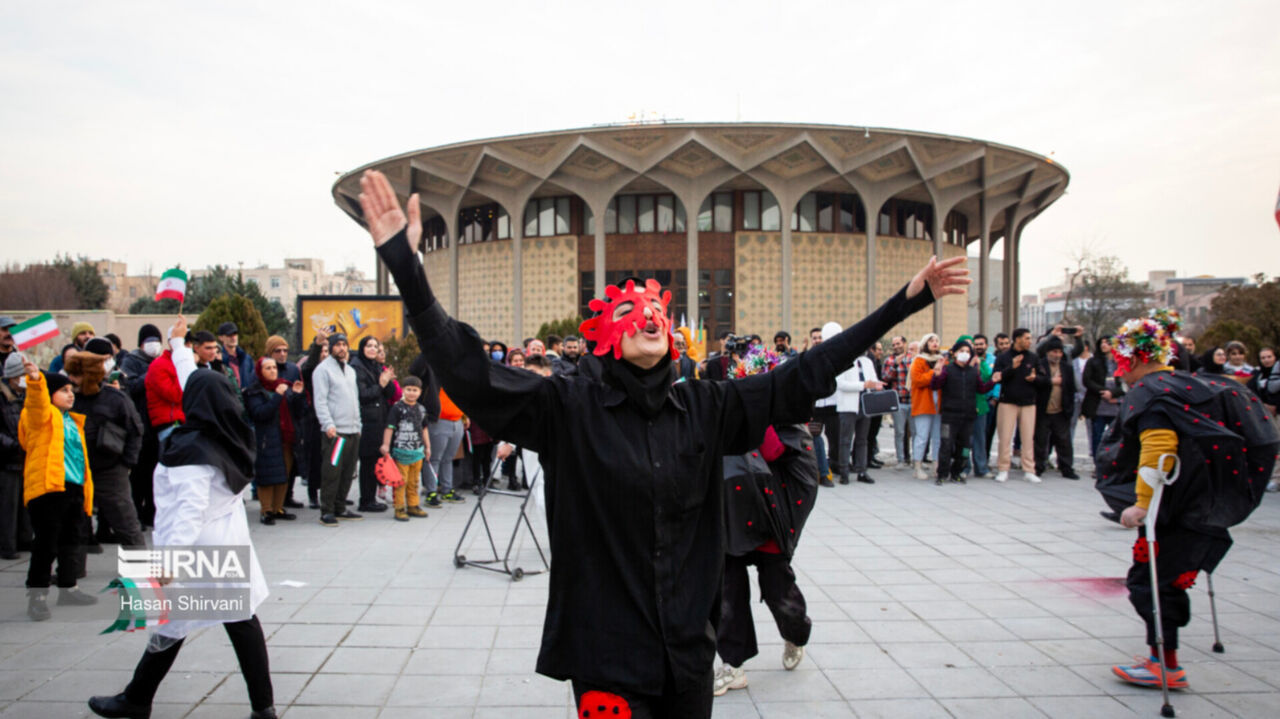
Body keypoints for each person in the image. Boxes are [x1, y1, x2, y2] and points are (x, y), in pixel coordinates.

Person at [358, 168, 967, 717]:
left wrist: (906, 302)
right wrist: (407, 269)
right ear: (606, 335)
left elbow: (803, 374)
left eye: (657, 307)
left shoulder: (708, 406)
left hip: (686, 655)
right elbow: (467, 368)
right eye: (632, 308)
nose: (649, 314)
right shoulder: (567, 407)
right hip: (606, 657)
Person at [88, 320, 276, 719]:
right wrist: (177, 342)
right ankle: (261, 708)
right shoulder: (228, 435)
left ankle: (137, 699)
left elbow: (188, 512)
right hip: (224, 549)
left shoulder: (191, 452)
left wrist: (170, 560)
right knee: (228, 622)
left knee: (175, 619)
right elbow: (200, 383)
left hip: (194, 553)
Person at [1097, 309, 1278, 691]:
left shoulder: (1151, 393)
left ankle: (1165, 664)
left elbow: (1159, 450)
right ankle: (1162, 657)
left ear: (1135, 358)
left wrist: (1142, 504)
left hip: (1174, 505)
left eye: (1120, 360)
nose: (1118, 370)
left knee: (1151, 581)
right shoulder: (1190, 383)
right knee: (1167, 579)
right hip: (1203, 500)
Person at [715, 349, 816, 696]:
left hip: (769, 523)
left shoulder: (791, 423)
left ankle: (794, 635)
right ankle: (733, 664)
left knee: (780, 593)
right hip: (731, 518)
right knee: (728, 596)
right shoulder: (731, 412)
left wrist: (755, 413)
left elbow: (775, 452)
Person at [18, 358, 98, 621]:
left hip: (72, 487)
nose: (70, 394)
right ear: (50, 393)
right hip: (48, 488)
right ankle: (37, 596)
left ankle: (68, 586)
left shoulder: (72, 420)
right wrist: (35, 379)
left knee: (71, 541)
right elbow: (37, 402)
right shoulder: (41, 415)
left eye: (71, 390)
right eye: (63, 390)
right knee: (46, 543)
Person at [66, 338, 146, 547]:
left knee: (125, 522)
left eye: (76, 375)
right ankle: (71, 573)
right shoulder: (69, 398)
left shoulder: (115, 399)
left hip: (110, 470)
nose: (72, 379)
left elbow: (135, 431)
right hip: (76, 470)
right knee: (73, 526)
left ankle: (141, 570)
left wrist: (126, 463)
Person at [245, 357, 305, 525]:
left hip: (286, 437)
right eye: (268, 368)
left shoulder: (284, 385)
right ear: (260, 372)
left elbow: (299, 412)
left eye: (274, 368)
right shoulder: (255, 391)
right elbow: (260, 414)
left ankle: (278, 508)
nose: (272, 371)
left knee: (283, 474)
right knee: (267, 475)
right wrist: (277, 396)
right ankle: (266, 510)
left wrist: (298, 396)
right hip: (267, 438)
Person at [311, 333, 363, 527]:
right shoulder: (322, 370)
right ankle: (327, 510)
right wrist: (328, 424)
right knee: (332, 471)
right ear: (331, 347)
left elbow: (354, 400)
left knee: (348, 471)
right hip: (336, 432)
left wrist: (358, 425)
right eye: (338, 345)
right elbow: (321, 401)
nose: (342, 348)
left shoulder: (350, 370)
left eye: (344, 345)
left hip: (352, 430)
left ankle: (340, 506)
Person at [930, 339, 994, 485]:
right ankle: (942, 474)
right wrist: (937, 373)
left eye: (967, 352)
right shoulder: (948, 370)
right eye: (962, 351)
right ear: (955, 353)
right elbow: (935, 386)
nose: (964, 354)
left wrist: (993, 381)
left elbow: (981, 389)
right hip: (949, 415)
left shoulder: (973, 371)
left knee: (965, 447)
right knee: (946, 445)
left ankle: (957, 472)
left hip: (968, 416)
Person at [351, 337, 394, 513]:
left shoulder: (376, 367)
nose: (373, 349)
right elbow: (363, 394)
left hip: (379, 420)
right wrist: (381, 384)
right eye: (369, 346)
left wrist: (388, 380)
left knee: (375, 460)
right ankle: (365, 500)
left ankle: (370, 498)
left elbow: (389, 393)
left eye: (376, 346)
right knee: (368, 462)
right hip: (367, 421)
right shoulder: (357, 366)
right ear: (362, 348)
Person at [381, 375, 431, 520]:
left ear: (420, 392)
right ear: (403, 390)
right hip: (401, 452)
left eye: (415, 390)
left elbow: (425, 429)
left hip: (417, 452)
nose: (411, 393)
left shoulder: (421, 409)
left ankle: (413, 506)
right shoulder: (397, 408)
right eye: (408, 389)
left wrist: (428, 447)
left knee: (414, 482)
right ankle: (399, 508)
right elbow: (389, 427)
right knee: (401, 482)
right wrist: (385, 444)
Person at [992, 328, 1040, 483]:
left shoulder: (1033, 357)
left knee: (1027, 438)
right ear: (1017, 339)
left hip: (1028, 403)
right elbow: (997, 378)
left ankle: (1029, 469)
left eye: (1030, 338)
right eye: (1026, 338)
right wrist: (1011, 367)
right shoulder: (1003, 357)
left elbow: (1043, 377)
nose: (1029, 341)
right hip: (1007, 402)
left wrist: (1035, 378)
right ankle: (1003, 468)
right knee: (1005, 437)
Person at [1032, 336, 1080, 479]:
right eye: (1054, 352)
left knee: (1064, 441)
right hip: (1043, 409)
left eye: (1059, 352)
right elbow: (1035, 382)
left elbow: (1071, 389)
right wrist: (1051, 381)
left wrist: (1070, 409)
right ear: (1048, 352)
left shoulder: (1067, 368)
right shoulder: (1040, 365)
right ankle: (1038, 466)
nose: (1057, 355)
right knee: (1040, 441)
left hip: (1061, 410)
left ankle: (1066, 468)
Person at [1, 354, 34, 560]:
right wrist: (14, 445)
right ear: (13, 376)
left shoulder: (27, 396)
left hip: (25, 458)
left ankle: (24, 539)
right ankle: (7, 545)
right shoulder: (3, 396)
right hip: (7, 459)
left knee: (25, 504)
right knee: (8, 506)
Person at [1082, 337, 1124, 461]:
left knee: (1115, 436)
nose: (1104, 345)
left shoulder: (1120, 362)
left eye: (1107, 343)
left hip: (1115, 405)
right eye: (1102, 343)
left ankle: (1113, 461)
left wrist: (1112, 393)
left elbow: (1124, 383)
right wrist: (1102, 391)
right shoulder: (1093, 361)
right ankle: (1097, 462)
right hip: (1098, 404)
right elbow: (1087, 380)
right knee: (1097, 436)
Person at [909, 333, 943, 480]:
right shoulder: (919, 360)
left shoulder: (942, 360)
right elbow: (918, 380)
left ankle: (936, 465)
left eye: (936, 341)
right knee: (922, 436)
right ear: (925, 344)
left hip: (939, 404)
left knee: (937, 437)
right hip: (924, 403)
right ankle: (918, 466)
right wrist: (933, 372)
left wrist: (940, 371)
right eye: (931, 341)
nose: (934, 343)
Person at [1248, 347, 1280, 492]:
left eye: (1269, 357)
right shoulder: (1257, 376)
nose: (1267, 360)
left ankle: (1276, 477)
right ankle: (1270, 476)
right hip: (1264, 414)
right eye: (1263, 357)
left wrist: (1275, 405)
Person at [880, 335, 913, 468]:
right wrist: (895, 365)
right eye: (893, 345)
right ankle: (900, 460)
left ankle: (916, 460)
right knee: (899, 432)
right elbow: (885, 378)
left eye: (898, 343)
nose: (896, 346)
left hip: (913, 400)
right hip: (898, 401)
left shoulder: (913, 358)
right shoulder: (890, 360)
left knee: (915, 432)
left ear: (904, 343)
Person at [216, 322, 255, 388]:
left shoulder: (247, 358)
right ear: (221, 338)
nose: (233, 338)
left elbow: (253, 380)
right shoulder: (217, 359)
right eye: (229, 335)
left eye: (235, 334)